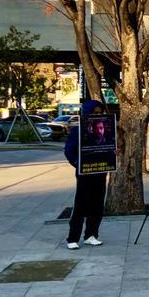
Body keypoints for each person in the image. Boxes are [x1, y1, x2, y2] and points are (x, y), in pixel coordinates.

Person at [64, 100, 109, 249]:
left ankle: (91, 235)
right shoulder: (78, 131)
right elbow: (69, 151)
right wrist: (78, 164)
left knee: (97, 205)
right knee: (81, 205)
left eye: (99, 113)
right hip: (84, 174)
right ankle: (73, 238)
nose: (97, 116)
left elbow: (109, 149)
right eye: (94, 113)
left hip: (100, 172)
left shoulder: (105, 131)